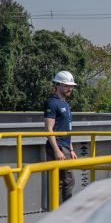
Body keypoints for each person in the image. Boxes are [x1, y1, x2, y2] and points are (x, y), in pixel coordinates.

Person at [43, 70, 78, 202]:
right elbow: (48, 128)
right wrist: (57, 150)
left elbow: (66, 128)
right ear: (57, 86)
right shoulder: (52, 103)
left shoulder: (65, 104)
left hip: (65, 146)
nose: (70, 88)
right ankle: (63, 210)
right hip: (58, 147)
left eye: (71, 86)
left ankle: (59, 209)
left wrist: (71, 148)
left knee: (64, 180)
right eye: (67, 86)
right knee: (68, 180)